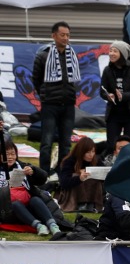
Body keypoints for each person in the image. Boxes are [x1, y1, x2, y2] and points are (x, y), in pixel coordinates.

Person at [32, 21, 80, 173]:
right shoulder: (43, 55)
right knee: (46, 142)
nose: (66, 38)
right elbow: (36, 79)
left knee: (66, 143)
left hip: (68, 104)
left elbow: (74, 80)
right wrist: (45, 95)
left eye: (68, 35)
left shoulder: (71, 54)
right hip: (50, 104)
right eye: (62, 35)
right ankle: (44, 174)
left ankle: (62, 174)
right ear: (54, 36)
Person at [0, 142, 60, 236]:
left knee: (35, 199)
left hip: (27, 204)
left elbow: (43, 179)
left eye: (13, 154)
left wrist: (34, 171)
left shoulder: (22, 166)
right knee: (16, 204)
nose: (10, 157)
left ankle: (53, 225)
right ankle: (39, 226)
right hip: (8, 210)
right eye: (7, 154)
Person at [100, 40, 130, 146]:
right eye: (110, 51)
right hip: (113, 114)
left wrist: (124, 96)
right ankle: (111, 162)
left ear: (123, 54)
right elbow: (102, 91)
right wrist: (108, 96)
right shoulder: (107, 70)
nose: (111, 54)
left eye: (115, 51)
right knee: (111, 145)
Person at [57, 136, 105, 213]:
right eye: (88, 152)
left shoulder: (96, 160)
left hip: (93, 193)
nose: (91, 155)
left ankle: (92, 204)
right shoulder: (69, 161)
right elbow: (63, 182)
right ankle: (81, 203)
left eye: (93, 151)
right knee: (76, 176)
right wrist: (79, 178)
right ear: (81, 151)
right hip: (72, 193)